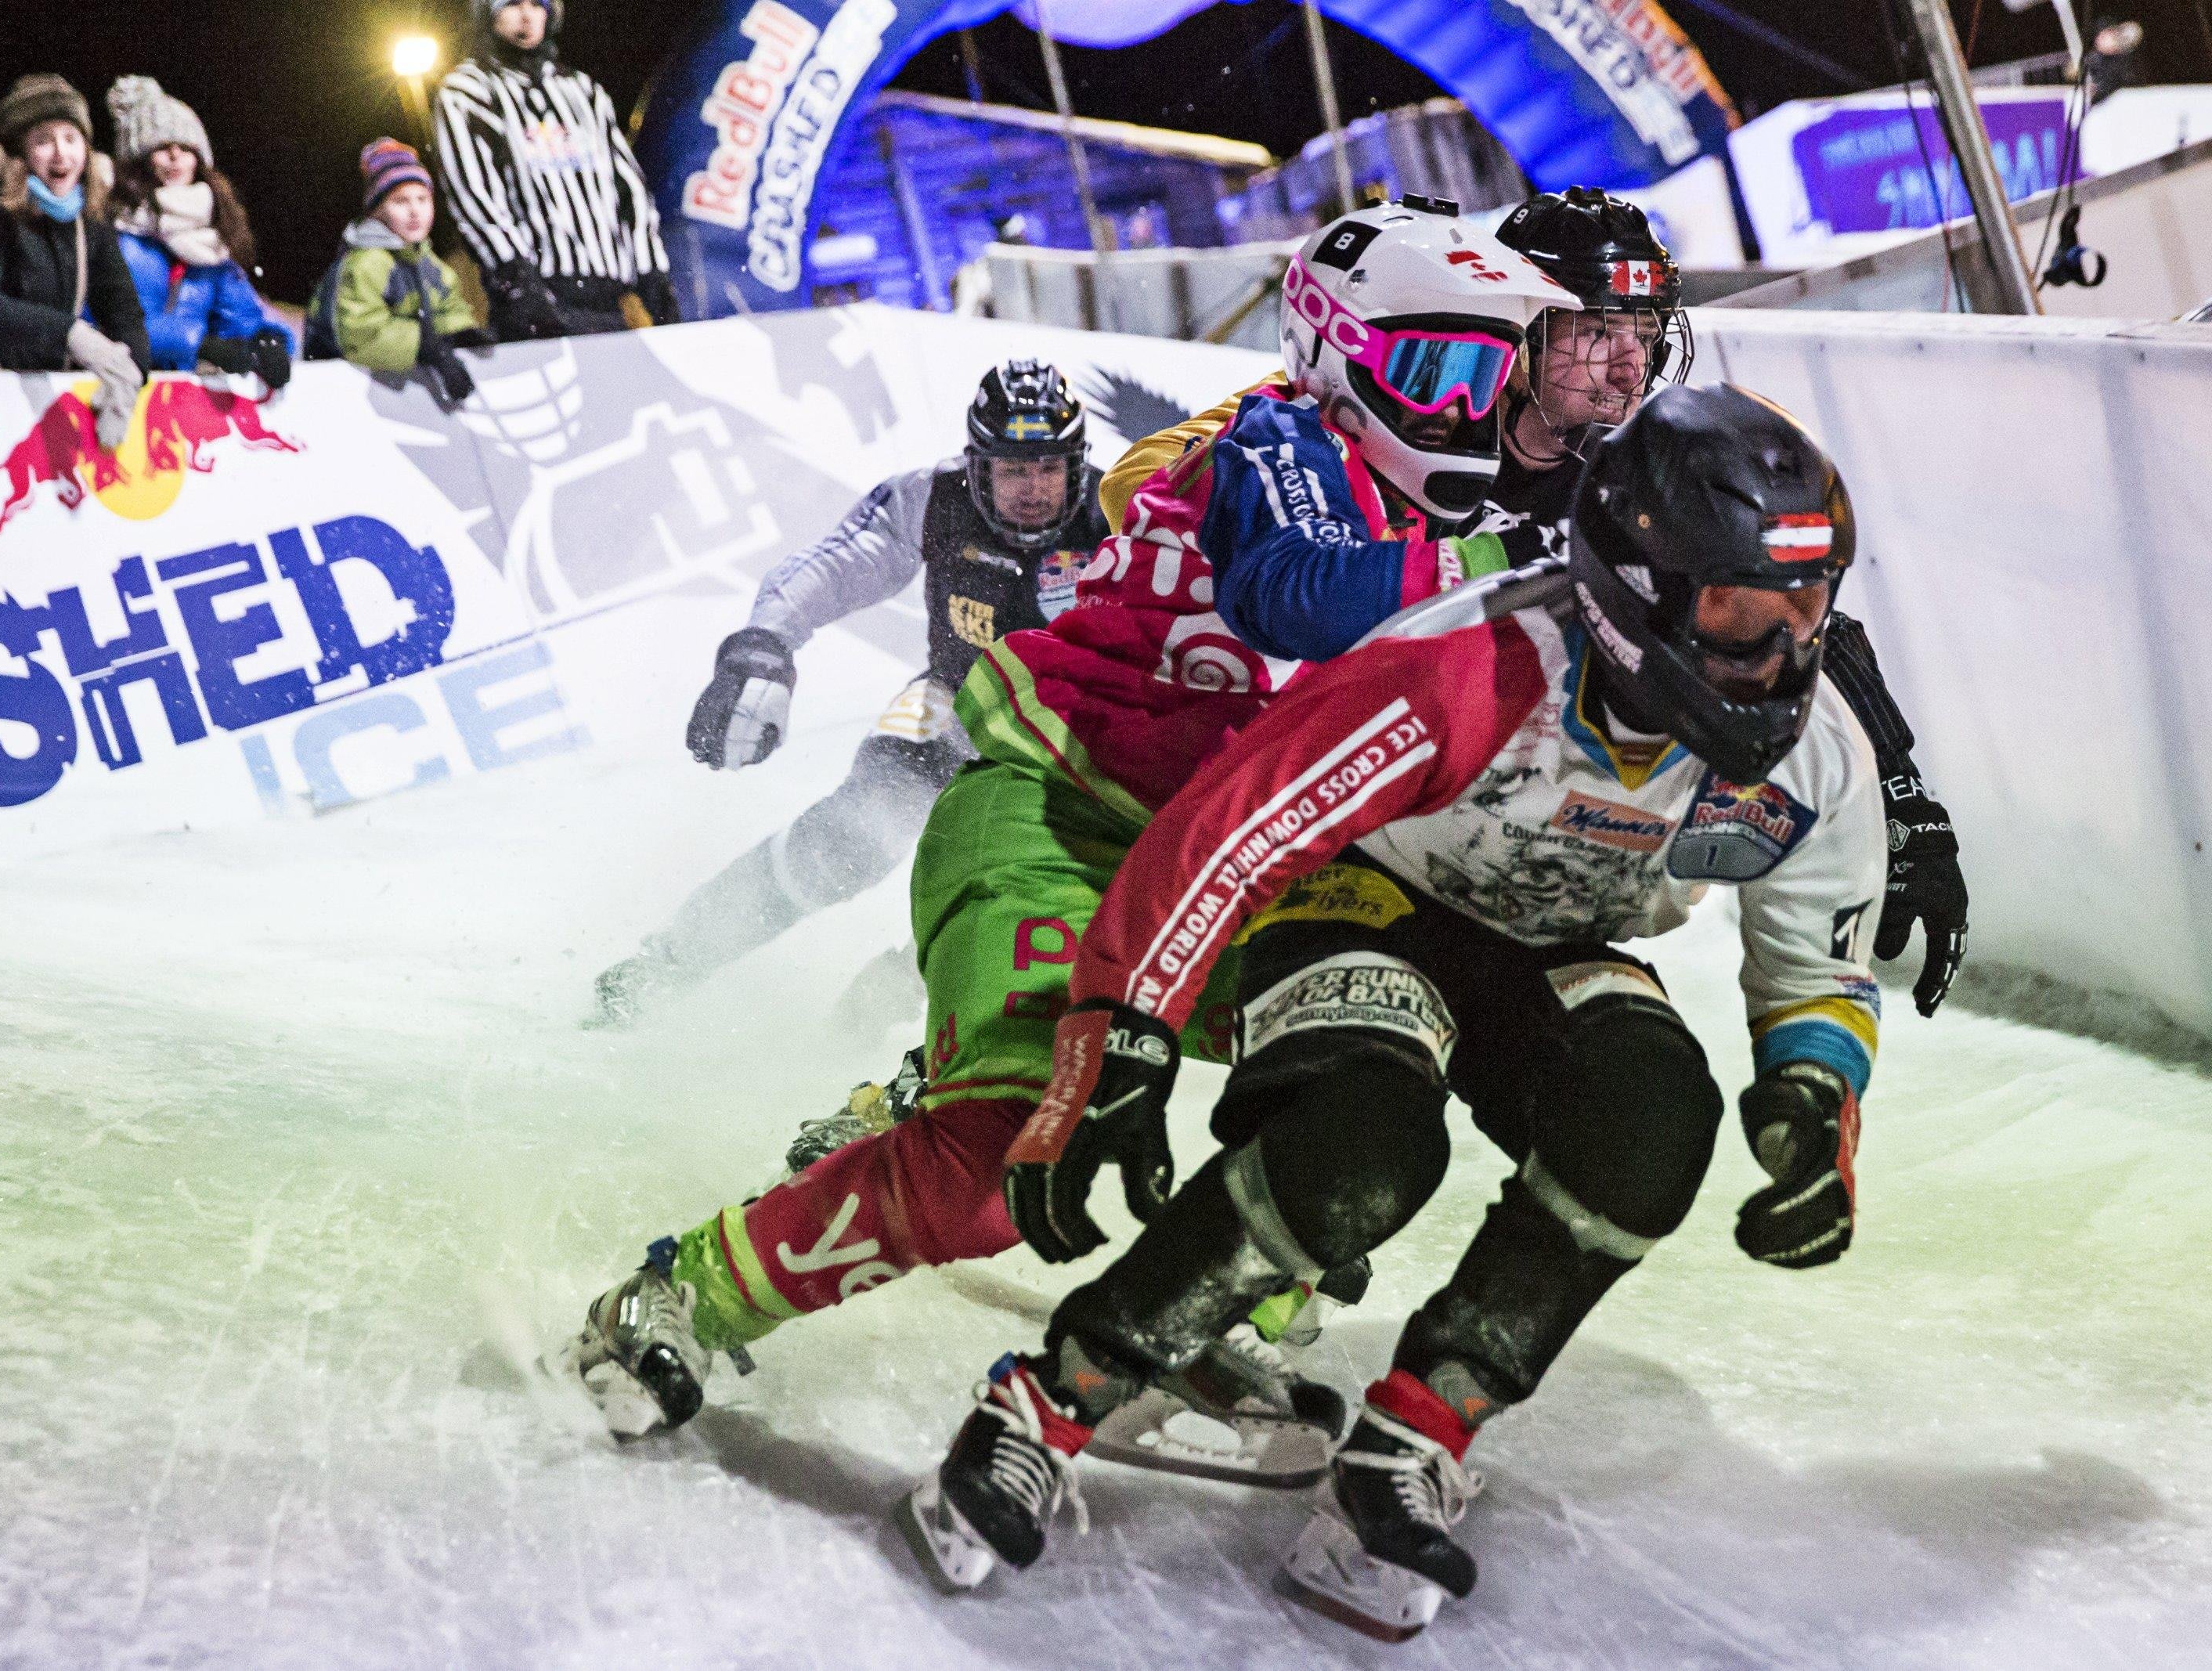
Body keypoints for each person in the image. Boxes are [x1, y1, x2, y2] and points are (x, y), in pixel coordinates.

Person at [569, 204, 1576, 1480]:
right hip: (1053, 802)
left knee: (1360, 1113)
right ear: (1339, 355)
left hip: (1233, 855)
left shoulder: (1434, 502)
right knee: (990, 1164)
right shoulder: (1283, 442)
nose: (1469, 411)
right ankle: (689, 1294)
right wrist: (761, 647)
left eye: (1492, 376)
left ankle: (1208, 1306)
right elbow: (1294, 593)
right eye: (1439, 369)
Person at [901, 386, 1888, 1637]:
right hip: (1362, 887)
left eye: (1809, 612)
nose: (1786, 658)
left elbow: (1817, 956)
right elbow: (1226, 831)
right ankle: (1045, 1402)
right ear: (1638, 593)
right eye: (1746, 616)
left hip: (1550, 942)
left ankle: (1414, 1435)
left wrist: (1812, 1094)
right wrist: (1120, 1035)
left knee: (1653, 1123)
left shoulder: (1818, 753)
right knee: (1365, 1146)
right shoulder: (1460, 668)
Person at [1488, 186, 1967, 1017]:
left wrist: (1902, 802)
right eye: (1598, 329)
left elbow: (1790, 622)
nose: (1629, 365)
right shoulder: (1416, 439)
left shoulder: (1647, 474)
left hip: (1559, 864)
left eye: (1642, 333)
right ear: (1514, 336)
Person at [586, 362, 1110, 1030]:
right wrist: (761, 647)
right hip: (950, 711)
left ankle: (904, 990)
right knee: (844, 843)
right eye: (1012, 471)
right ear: (978, 468)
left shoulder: (1121, 510)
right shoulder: (933, 499)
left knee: (1027, 885)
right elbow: (833, 566)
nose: (1032, 490)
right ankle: (664, 965)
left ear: (1077, 463)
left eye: (1048, 469)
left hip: (1076, 741)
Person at [434, 0, 677, 339]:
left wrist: (652, 272)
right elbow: (472, 192)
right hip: (536, 291)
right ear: (487, 14)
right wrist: (515, 276)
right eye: (512, 4)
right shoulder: (468, 91)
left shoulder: (583, 90)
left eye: (537, 4)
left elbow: (628, 185)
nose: (527, 15)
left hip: (606, 293)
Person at [0, 75, 148, 449]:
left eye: (71, 139)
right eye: (43, 141)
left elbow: (123, 306)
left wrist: (131, 371)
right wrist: (72, 333)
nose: (61, 154)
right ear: (19, 154)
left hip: (50, 392)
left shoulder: (90, 219)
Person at [104, 77, 292, 390]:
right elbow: (106, 322)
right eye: (162, 148)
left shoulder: (211, 242)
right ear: (139, 162)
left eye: (186, 148)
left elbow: (242, 315)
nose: (176, 156)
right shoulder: (116, 235)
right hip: (118, 394)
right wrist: (198, 344)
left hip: (179, 404)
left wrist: (267, 340)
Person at [310, 139, 489, 409]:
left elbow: (448, 310)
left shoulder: (430, 265)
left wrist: (461, 333)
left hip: (396, 392)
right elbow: (361, 337)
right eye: (401, 201)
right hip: (338, 392)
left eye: (423, 199)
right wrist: (427, 346)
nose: (415, 211)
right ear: (378, 211)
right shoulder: (365, 264)